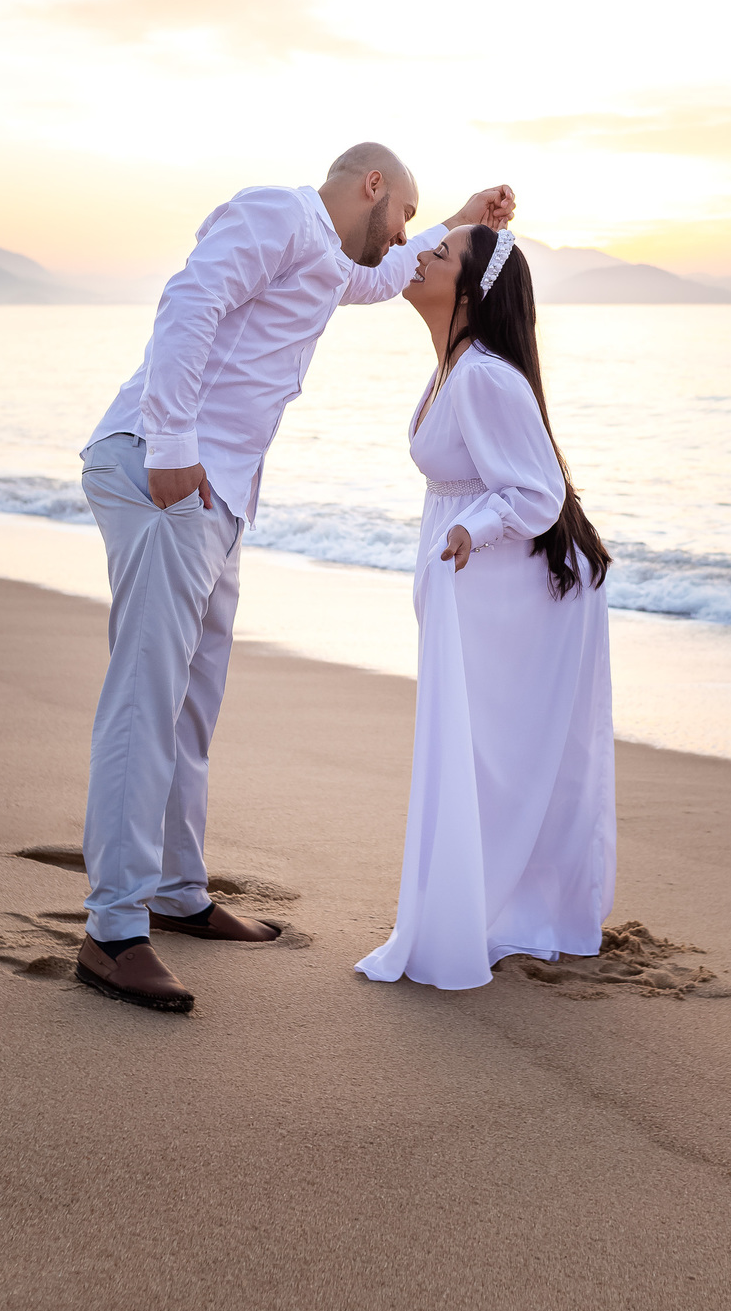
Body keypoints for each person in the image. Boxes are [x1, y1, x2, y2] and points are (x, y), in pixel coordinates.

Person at [75, 144, 515, 1014]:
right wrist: (170, 443)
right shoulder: (278, 213)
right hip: (168, 472)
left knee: (193, 703)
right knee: (146, 696)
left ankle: (175, 891)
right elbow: (190, 302)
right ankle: (112, 930)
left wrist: (462, 219)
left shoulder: (332, 259)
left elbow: (389, 273)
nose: (402, 238)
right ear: (372, 186)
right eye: (404, 214)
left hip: (219, 497)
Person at [356, 225, 615, 991]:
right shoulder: (453, 368)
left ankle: (519, 912)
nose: (418, 259)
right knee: (478, 752)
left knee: (497, 757)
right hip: (481, 580)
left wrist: (474, 527)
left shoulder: (482, 377)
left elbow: (538, 491)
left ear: (469, 291)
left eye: (436, 257)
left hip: (517, 588)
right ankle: (491, 905)